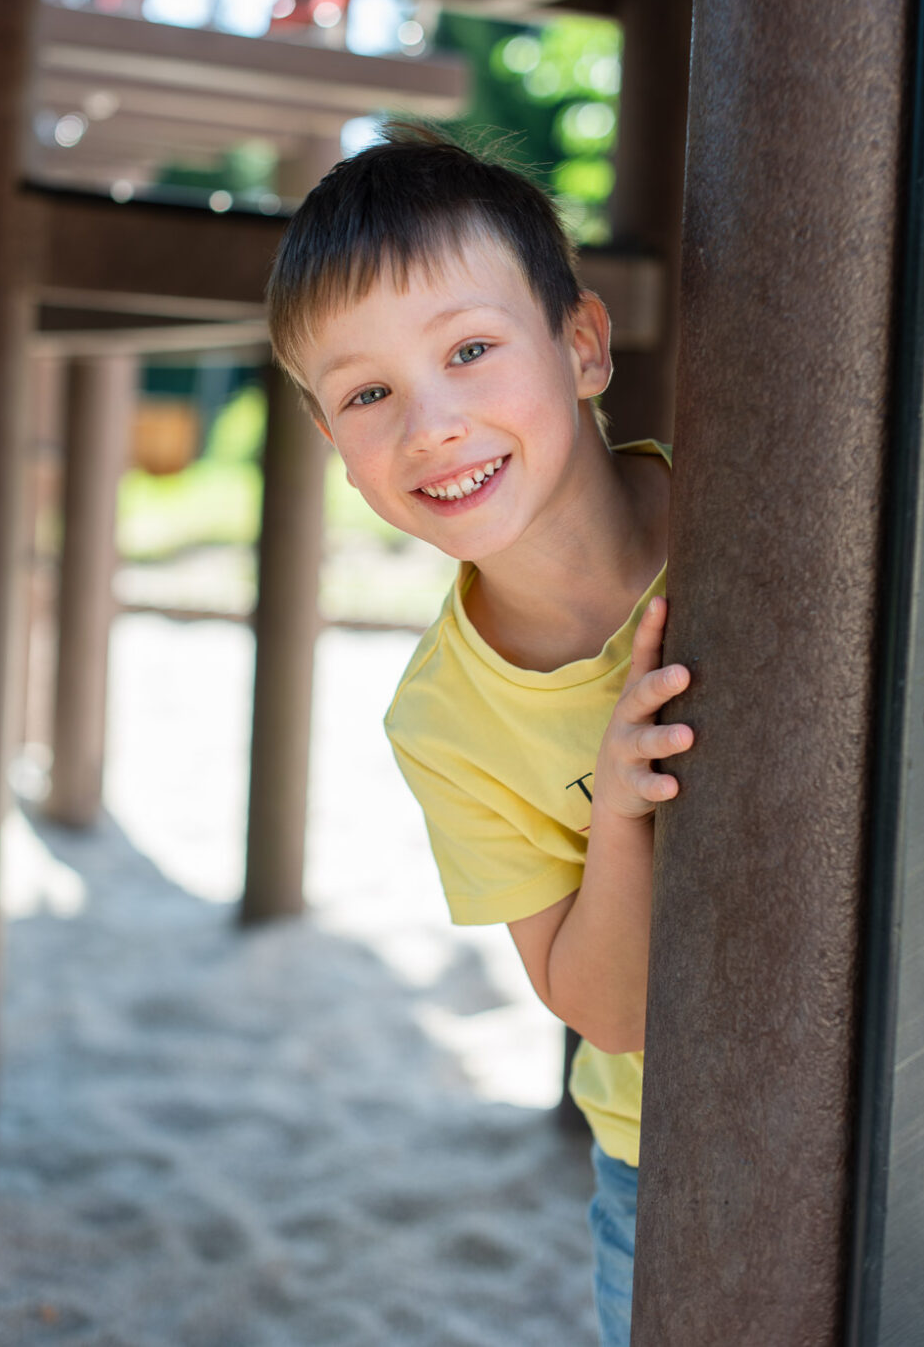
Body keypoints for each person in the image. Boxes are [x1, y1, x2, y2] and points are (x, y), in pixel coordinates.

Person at [267, 123, 693, 1347]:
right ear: (331, 442)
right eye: (367, 392)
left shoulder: (751, 508)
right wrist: (613, 808)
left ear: (581, 343)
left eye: (467, 348)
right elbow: (604, 1009)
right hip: (666, 1162)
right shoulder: (444, 719)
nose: (432, 422)